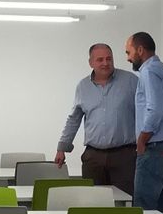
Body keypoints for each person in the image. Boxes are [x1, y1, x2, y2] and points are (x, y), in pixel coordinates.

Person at [55, 42, 139, 193]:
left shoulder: (131, 82)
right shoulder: (82, 86)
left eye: (109, 59)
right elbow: (74, 119)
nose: (105, 63)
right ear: (91, 63)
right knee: (94, 202)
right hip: (93, 157)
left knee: (125, 201)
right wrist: (62, 147)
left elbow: (144, 113)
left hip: (124, 156)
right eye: (100, 60)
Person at [125, 31, 163, 214]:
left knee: (145, 211)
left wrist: (141, 140)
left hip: (156, 149)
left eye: (128, 52)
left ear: (140, 50)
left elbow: (155, 109)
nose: (127, 58)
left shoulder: (149, 72)